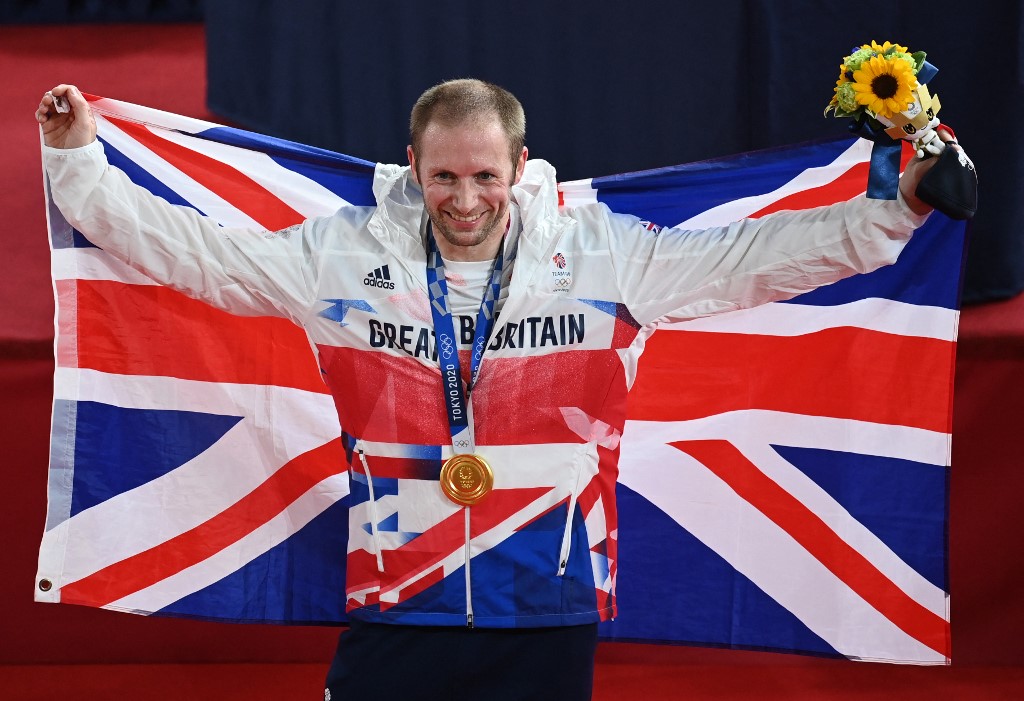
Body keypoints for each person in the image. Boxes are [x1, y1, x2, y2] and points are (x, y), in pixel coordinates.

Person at [37, 79, 954, 700]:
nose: (464, 198)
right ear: (412, 163)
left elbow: (761, 259)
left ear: (520, 168)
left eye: (484, 176)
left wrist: (898, 207)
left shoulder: (603, 252)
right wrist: (78, 159)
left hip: (546, 600)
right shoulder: (343, 256)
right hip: (399, 596)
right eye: (443, 175)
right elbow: (197, 256)